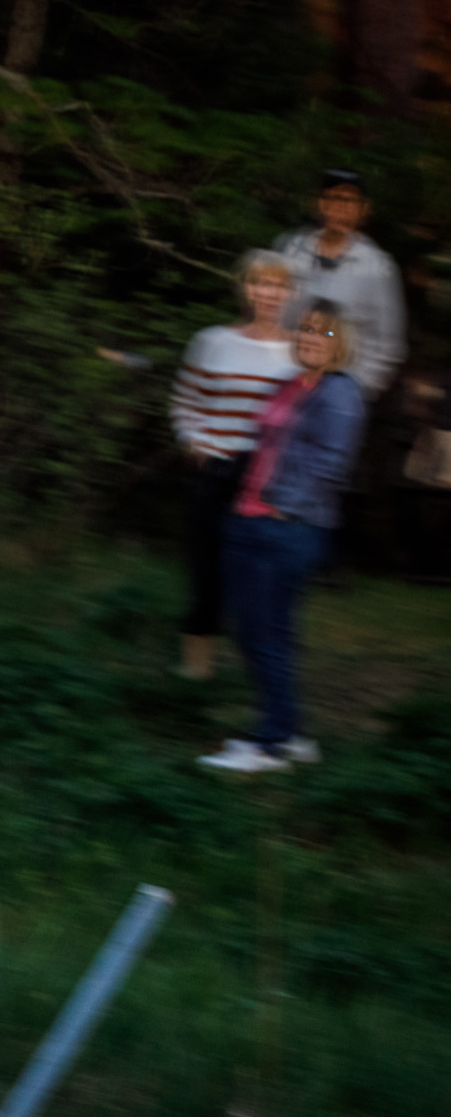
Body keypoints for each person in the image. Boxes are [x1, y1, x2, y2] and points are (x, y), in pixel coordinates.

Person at [198, 302, 367, 774]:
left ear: (340, 343)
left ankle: (269, 744)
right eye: (306, 329)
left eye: (325, 333)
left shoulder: (340, 393)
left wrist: (281, 506)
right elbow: (265, 445)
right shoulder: (290, 384)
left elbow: (331, 465)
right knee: (257, 630)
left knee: (264, 633)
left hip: (288, 527)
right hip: (249, 518)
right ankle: (290, 735)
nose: (311, 337)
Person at [169, 254, 297, 679]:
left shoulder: (302, 348)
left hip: (267, 479)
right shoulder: (212, 341)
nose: (269, 293)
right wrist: (193, 442)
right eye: (260, 283)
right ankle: (196, 672)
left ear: (290, 293)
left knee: (259, 577)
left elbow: (312, 406)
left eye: (279, 285)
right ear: (245, 289)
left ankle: (256, 669)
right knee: (206, 570)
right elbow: (184, 399)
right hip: (217, 468)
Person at [272, 170, 406, 401]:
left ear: (364, 208)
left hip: (341, 389)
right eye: (335, 198)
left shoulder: (377, 266)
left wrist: (357, 389)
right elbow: (270, 312)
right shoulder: (291, 250)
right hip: (286, 381)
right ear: (320, 203)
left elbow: (388, 343)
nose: (342, 207)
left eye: (350, 200)